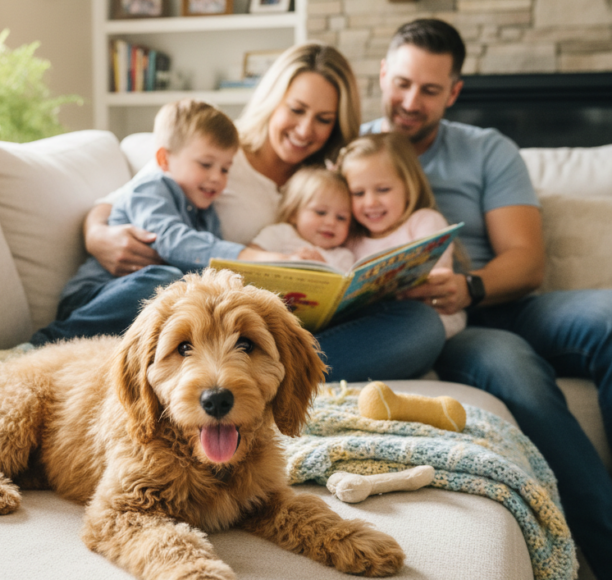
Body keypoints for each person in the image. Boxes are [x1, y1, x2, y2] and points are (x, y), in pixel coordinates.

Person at [363, 18, 612, 578]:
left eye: (429, 90)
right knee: (515, 371)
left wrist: (468, 286)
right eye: (401, 83)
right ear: (383, 73)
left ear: (453, 92)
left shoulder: (486, 150)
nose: (410, 101)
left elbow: (525, 261)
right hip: (443, 326)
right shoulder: (356, 152)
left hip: (500, 297)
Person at [82, 42, 447, 381]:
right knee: (163, 290)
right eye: (296, 109)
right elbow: (126, 199)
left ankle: (274, 375)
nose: (305, 129)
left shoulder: (329, 177)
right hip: (215, 313)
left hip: (283, 321)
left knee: (421, 325)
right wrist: (96, 233)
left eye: (323, 119)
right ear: (274, 100)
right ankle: (272, 375)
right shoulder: (220, 155)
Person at [31, 99, 301, 346]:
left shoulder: (207, 212)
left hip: (140, 308)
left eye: (225, 169)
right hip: (94, 299)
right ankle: (49, 340)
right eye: (206, 164)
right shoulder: (150, 190)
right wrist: (257, 258)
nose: (217, 177)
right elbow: (173, 240)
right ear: (164, 159)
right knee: (168, 282)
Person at [337, 132, 465, 339]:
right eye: (358, 193)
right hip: (374, 326)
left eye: (383, 189)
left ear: (409, 186)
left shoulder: (423, 221)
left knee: (417, 323)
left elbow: (435, 271)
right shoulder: (350, 238)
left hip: (429, 321)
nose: (370, 202)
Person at [249, 166, 355, 270]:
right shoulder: (281, 233)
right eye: (320, 212)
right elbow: (250, 255)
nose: (331, 222)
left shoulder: (343, 257)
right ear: (294, 214)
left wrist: (322, 268)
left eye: (341, 218)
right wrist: (287, 260)